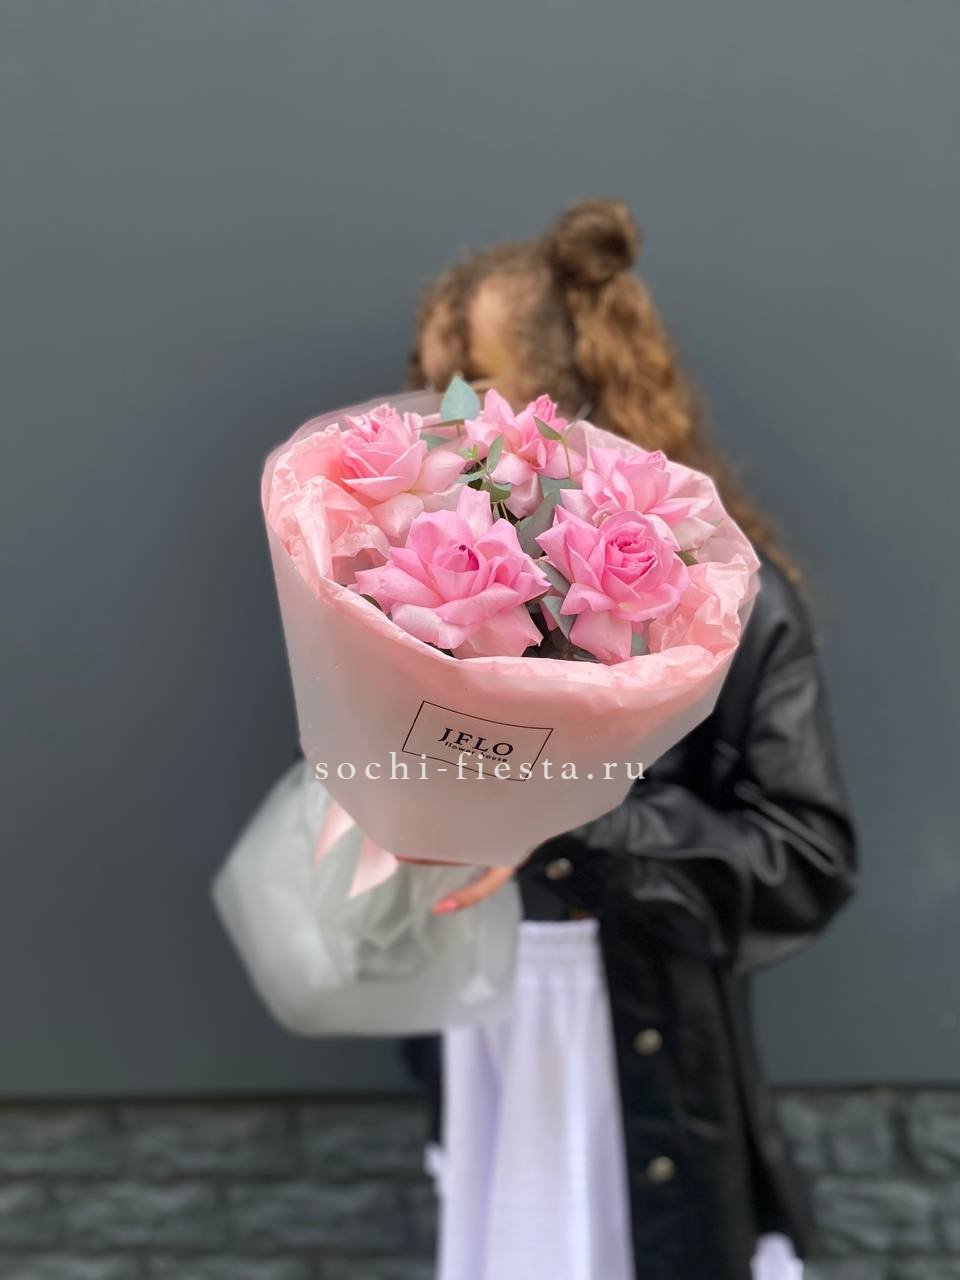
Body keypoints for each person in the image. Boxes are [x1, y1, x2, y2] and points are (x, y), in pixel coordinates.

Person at [400, 198, 858, 1280]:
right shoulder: (411, 590)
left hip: (635, 1049)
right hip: (479, 1039)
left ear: (574, 395)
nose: (440, 417)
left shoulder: (729, 599)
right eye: (426, 383)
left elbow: (805, 859)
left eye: (471, 383)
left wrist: (566, 817)